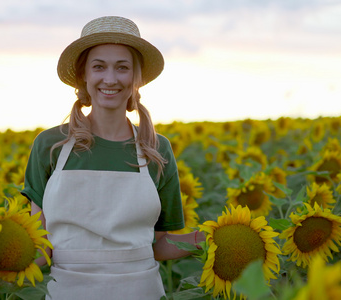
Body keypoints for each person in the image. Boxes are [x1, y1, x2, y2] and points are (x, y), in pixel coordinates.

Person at [21, 16, 205, 299]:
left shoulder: (157, 149)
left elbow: (157, 244)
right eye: (99, 67)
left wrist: (215, 240)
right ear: (84, 74)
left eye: (122, 67)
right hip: (68, 292)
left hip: (140, 291)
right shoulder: (51, 146)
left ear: (136, 77)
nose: (110, 79)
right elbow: (41, 248)